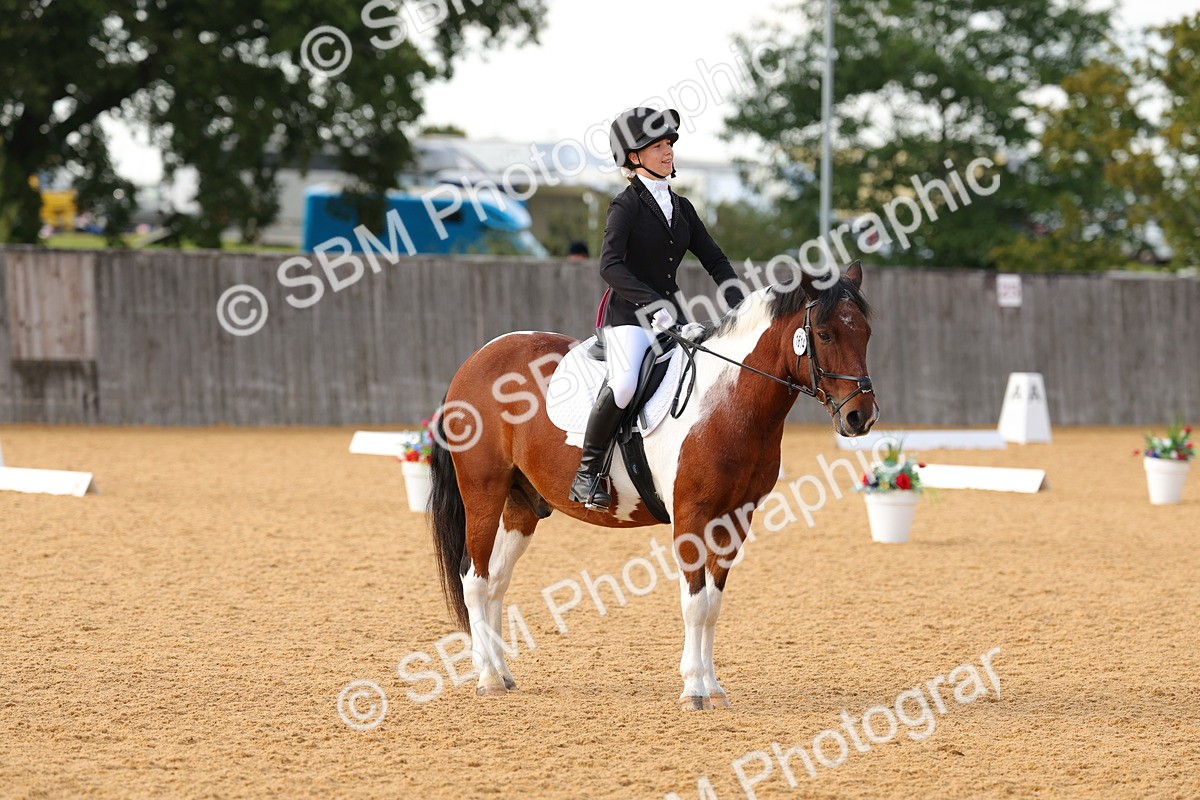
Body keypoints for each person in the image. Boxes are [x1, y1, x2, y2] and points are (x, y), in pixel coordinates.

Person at [568, 107, 746, 509]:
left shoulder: (682, 208)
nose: (668, 152)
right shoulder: (625, 206)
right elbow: (609, 265)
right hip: (628, 317)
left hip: (672, 316)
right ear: (634, 157)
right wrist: (651, 303)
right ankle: (588, 472)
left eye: (669, 145)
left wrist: (741, 305)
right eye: (658, 146)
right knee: (626, 382)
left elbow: (715, 260)